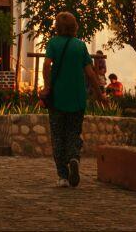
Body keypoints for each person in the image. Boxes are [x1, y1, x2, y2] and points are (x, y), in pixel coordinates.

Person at [40, 12, 103, 188]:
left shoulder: (53, 43)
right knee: (73, 132)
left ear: (57, 27)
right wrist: (99, 94)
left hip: (58, 98)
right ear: (75, 26)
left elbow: (46, 65)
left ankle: (63, 176)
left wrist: (47, 85)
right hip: (77, 98)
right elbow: (90, 73)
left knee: (58, 136)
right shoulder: (80, 46)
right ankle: (74, 157)